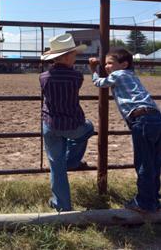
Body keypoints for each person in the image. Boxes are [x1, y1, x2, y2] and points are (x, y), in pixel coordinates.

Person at [89, 48, 161, 213]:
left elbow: (100, 83)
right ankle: (153, 200)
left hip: (141, 120)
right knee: (154, 162)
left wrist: (93, 70)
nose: (106, 66)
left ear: (124, 64)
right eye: (105, 63)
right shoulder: (131, 75)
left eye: (110, 63)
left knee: (143, 162)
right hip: (155, 118)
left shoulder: (118, 74)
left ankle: (144, 203)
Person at [40, 33, 94, 212]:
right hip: (73, 125)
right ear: (65, 57)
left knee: (56, 165)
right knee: (89, 128)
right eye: (73, 54)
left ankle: (62, 204)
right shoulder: (77, 77)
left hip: (51, 124)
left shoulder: (44, 77)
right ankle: (72, 161)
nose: (75, 58)